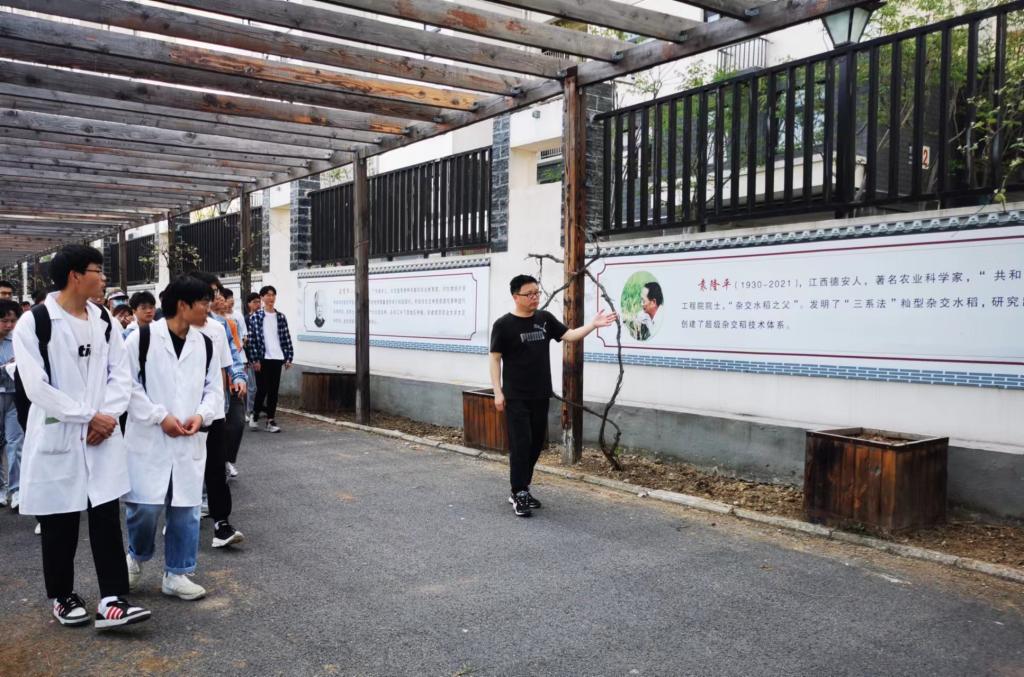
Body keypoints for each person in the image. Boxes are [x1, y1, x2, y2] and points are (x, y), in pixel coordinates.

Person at [13, 245, 150, 629]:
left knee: (105, 516)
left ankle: (113, 599)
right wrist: (90, 417)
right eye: (97, 270)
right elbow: (36, 387)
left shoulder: (103, 318)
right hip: (60, 433)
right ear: (75, 275)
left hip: (101, 435)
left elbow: (121, 374)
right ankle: (62, 595)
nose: (103, 278)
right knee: (59, 520)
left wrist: (106, 416)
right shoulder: (35, 322)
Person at [123, 275, 223, 601]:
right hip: (150, 438)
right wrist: (159, 416)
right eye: (204, 303)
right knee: (145, 508)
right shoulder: (141, 339)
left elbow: (214, 390)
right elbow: (126, 386)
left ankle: (177, 573)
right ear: (183, 305)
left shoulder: (205, 343)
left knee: (185, 510)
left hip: (187, 440)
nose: (208, 308)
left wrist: (201, 415)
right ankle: (136, 557)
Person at [489, 274, 616, 518]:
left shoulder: (544, 319)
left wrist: (593, 325)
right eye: (529, 294)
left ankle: (522, 488)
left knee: (536, 444)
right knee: (521, 443)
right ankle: (519, 491)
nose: (535, 297)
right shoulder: (503, 325)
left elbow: (570, 335)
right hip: (515, 396)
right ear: (516, 297)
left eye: (537, 293)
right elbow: (494, 359)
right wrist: (498, 391)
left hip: (540, 394)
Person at [187, 271, 246, 549]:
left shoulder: (218, 327)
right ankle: (180, 517)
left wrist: (238, 377)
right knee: (184, 467)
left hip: (213, 409)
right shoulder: (169, 329)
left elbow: (229, 360)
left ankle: (221, 523)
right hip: (182, 411)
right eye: (206, 294)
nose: (212, 299)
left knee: (215, 466)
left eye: (214, 294)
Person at [247, 285, 293, 434]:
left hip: (277, 357)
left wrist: (288, 357)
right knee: (262, 389)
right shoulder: (256, 317)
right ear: (262, 297)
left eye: (273, 295)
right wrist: (255, 359)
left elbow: (286, 337)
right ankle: (255, 414)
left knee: (273, 391)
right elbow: (252, 340)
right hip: (262, 357)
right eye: (267, 295)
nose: (270, 298)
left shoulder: (281, 317)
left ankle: (270, 420)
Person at [218, 288, 246, 478]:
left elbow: (234, 352)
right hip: (213, 387)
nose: (220, 300)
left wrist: (238, 376)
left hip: (231, 382)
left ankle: (226, 459)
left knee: (237, 423)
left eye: (222, 296)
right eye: (216, 295)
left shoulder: (227, 324)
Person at [0, 299, 23, 511]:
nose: (8, 325)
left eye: (12, 321)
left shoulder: (18, 339)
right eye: (4, 321)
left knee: (15, 443)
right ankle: (1, 489)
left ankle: (16, 490)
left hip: (14, 396)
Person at [243, 292, 260, 418]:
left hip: (262, 357)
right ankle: (249, 411)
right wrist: (249, 358)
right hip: (250, 358)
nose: (257, 304)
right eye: (255, 302)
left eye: (259, 301)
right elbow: (246, 340)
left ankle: (257, 408)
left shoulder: (263, 317)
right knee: (251, 387)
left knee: (260, 386)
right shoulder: (246, 319)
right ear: (248, 304)